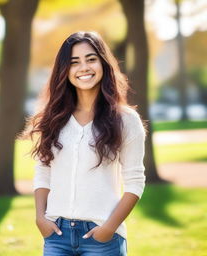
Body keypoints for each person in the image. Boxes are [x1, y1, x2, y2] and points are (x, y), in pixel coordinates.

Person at [25, 31, 146, 256]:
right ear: (65, 70)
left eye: (91, 59)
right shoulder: (52, 118)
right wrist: (40, 218)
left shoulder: (126, 120)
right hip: (56, 235)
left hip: (102, 237)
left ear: (103, 63)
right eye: (74, 62)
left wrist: (109, 228)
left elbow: (135, 182)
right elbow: (43, 171)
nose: (84, 68)